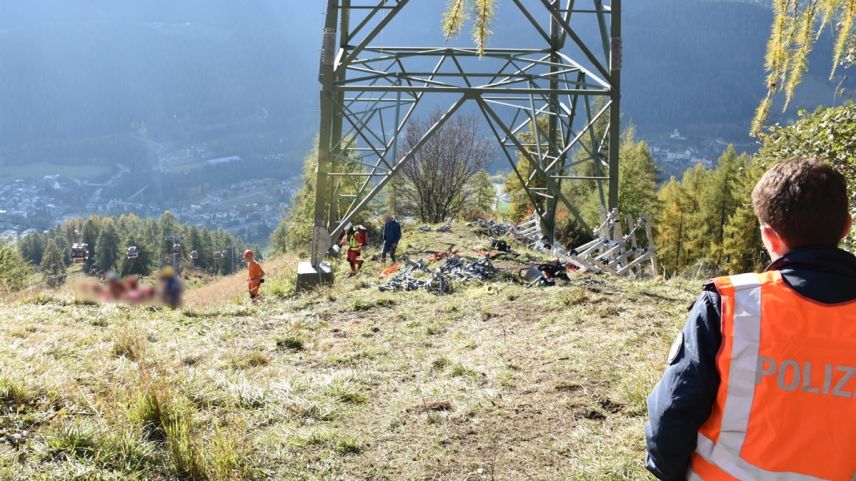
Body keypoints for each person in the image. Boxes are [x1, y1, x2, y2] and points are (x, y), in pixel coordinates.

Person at [645, 158, 856, 481]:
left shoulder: (730, 303)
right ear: (846, 227)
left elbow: (673, 413)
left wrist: (669, 472)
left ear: (768, 237)